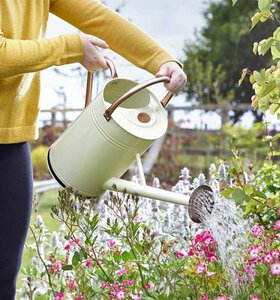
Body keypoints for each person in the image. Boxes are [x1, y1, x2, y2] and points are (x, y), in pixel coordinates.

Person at [0, 0, 187, 298]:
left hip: (10, 142)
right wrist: (70, 47)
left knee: (4, 272)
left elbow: (96, 16)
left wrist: (159, 59)